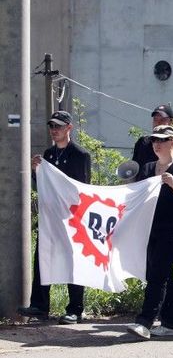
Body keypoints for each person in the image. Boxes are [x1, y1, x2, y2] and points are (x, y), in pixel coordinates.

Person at [127, 125, 173, 339]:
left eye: (162, 140)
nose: (157, 144)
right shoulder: (148, 168)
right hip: (152, 229)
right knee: (164, 274)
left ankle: (145, 322)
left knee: (156, 274)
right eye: (154, 140)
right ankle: (171, 323)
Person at [19, 111, 92, 324]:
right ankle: (40, 306)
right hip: (50, 217)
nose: (54, 130)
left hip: (71, 218)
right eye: (52, 126)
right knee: (42, 258)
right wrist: (36, 172)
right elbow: (41, 186)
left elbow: (82, 189)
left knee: (73, 262)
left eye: (59, 126)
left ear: (69, 128)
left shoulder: (80, 154)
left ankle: (75, 309)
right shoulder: (48, 154)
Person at [132, 104, 173, 169]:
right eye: (155, 119)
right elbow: (134, 169)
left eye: (162, 120)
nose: (158, 123)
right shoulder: (143, 143)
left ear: (172, 122)